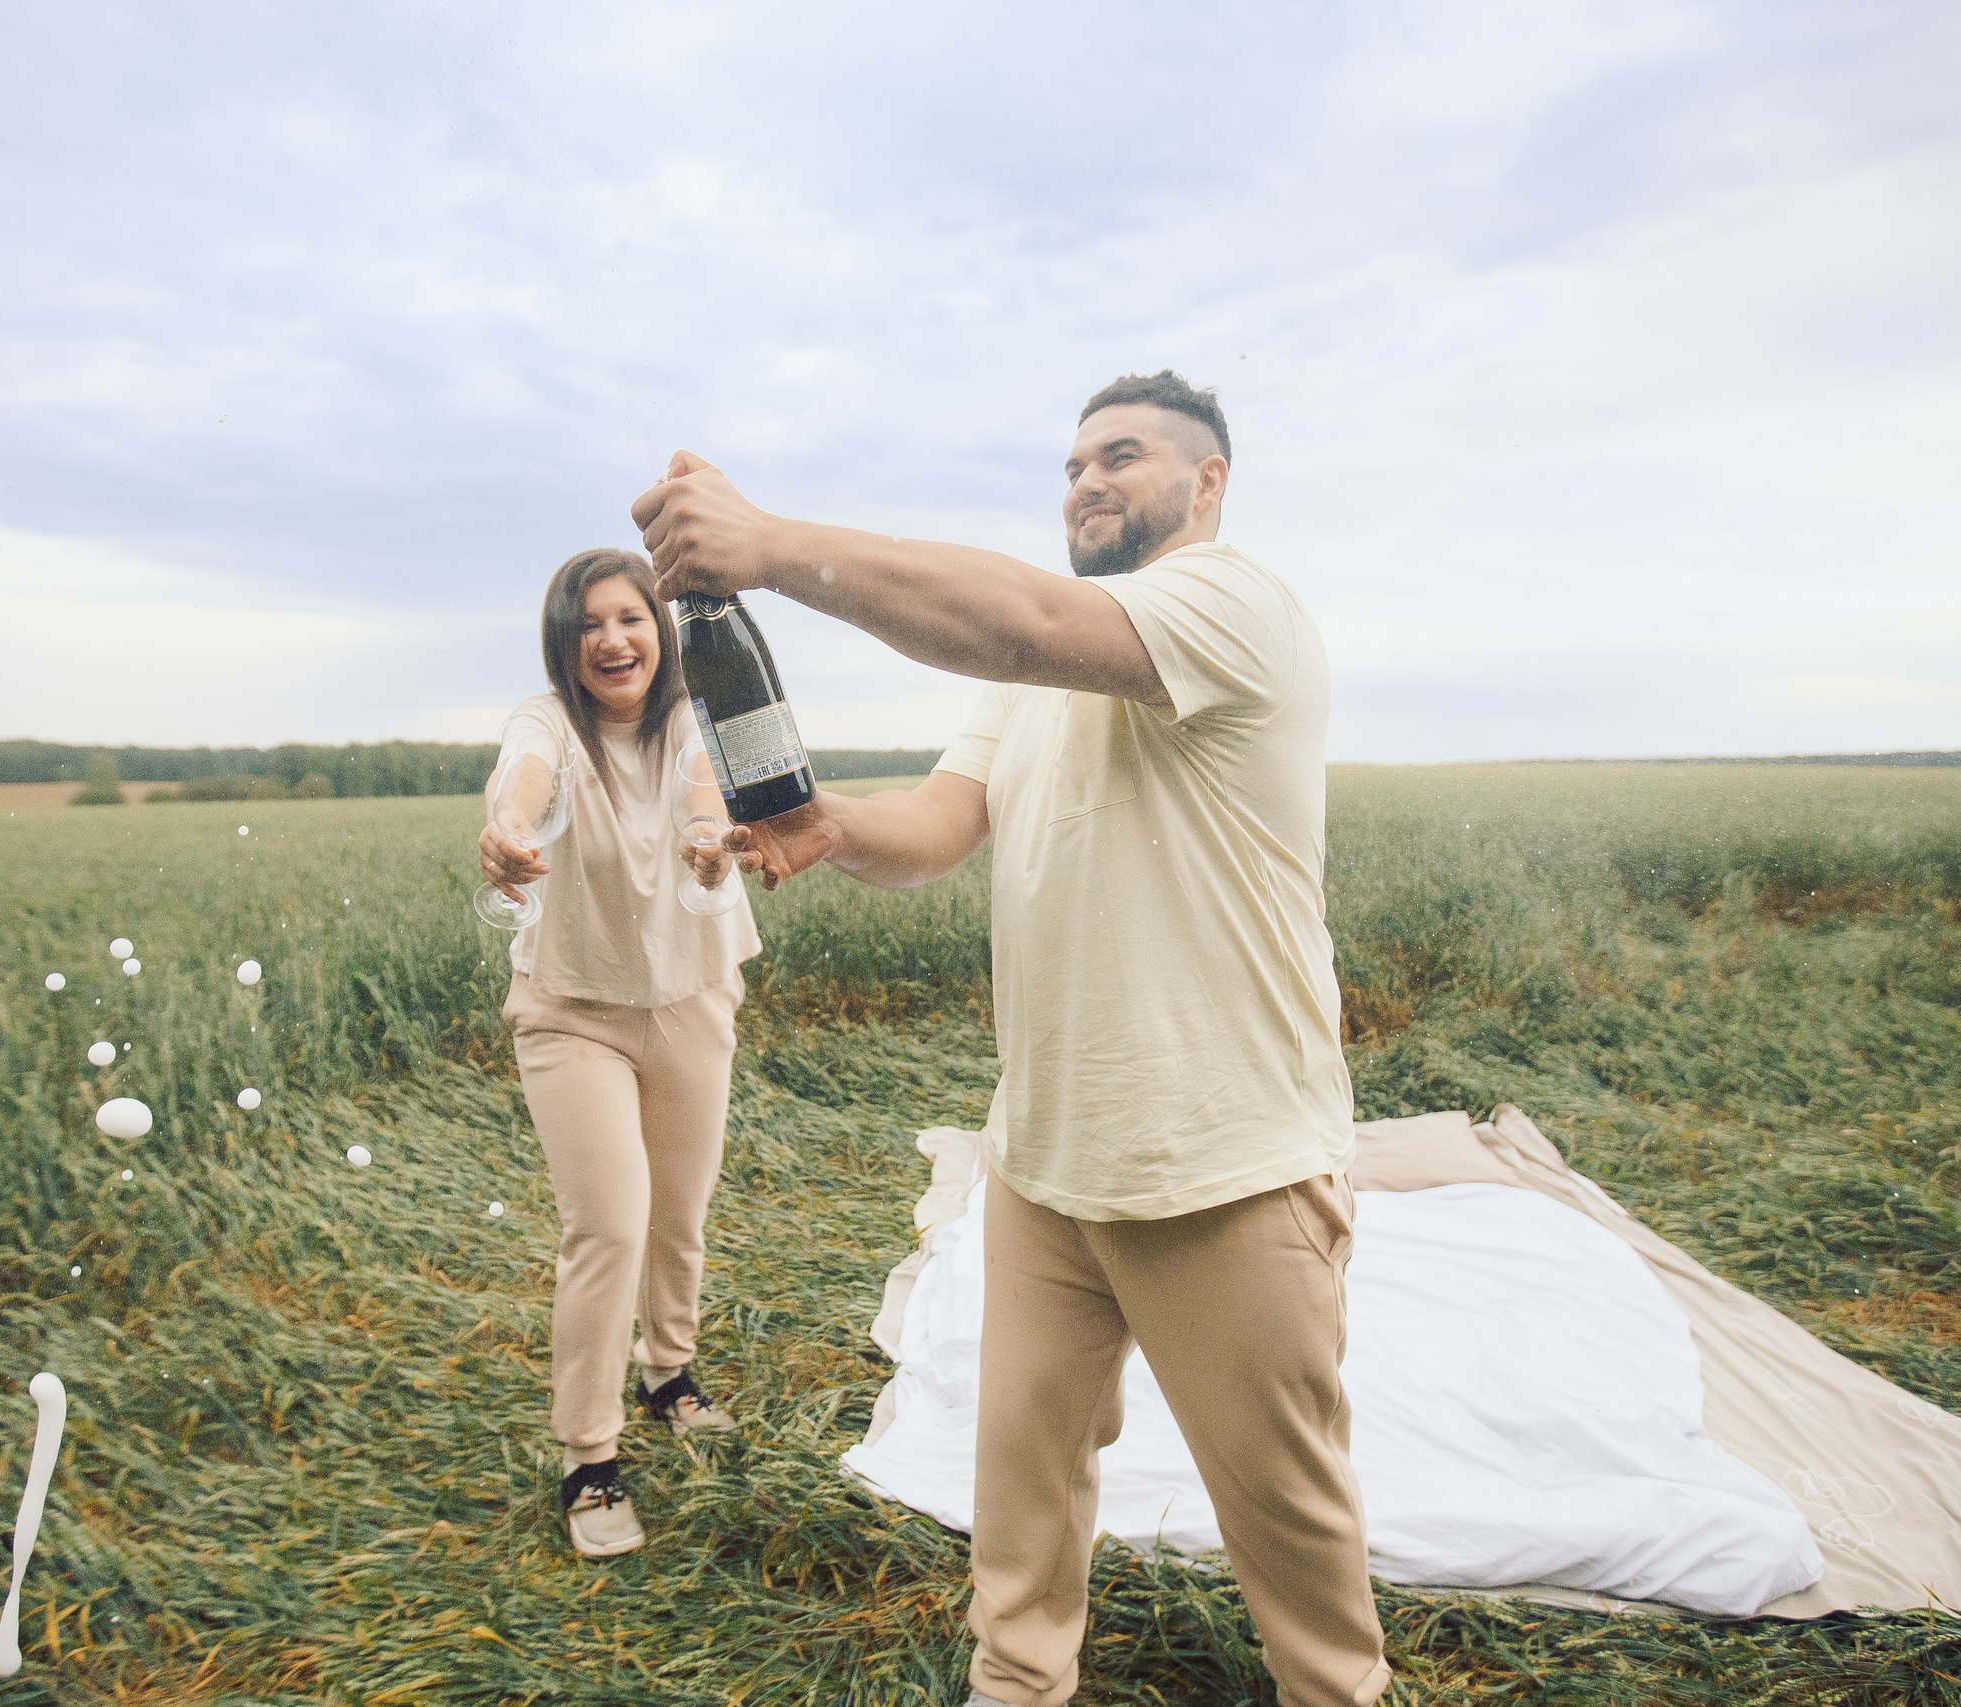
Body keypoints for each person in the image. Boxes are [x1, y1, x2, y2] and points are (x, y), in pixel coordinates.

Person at [630, 373, 1389, 1706]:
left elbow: (1028, 615)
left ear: (1208, 482)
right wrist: (826, 826)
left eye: (1123, 455)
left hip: (1227, 1159)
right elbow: (937, 821)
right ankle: (1018, 1685)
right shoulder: (1031, 684)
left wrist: (768, 546)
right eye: (1073, 462)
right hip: (1043, 1160)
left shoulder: (1233, 605)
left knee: (1289, 1520)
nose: (1085, 480)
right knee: (1022, 1489)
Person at [475, 546, 759, 1559]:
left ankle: (668, 1374)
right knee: (611, 1223)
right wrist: (507, 830)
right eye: (589, 623)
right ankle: (587, 1456)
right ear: (566, 641)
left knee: (679, 1210)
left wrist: (704, 833)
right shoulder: (547, 721)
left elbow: (702, 789)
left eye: (630, 618)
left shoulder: (694, 716)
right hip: (572, 1007)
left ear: (659, 628)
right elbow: (523, 784)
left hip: (689, 992)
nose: (612, 638)